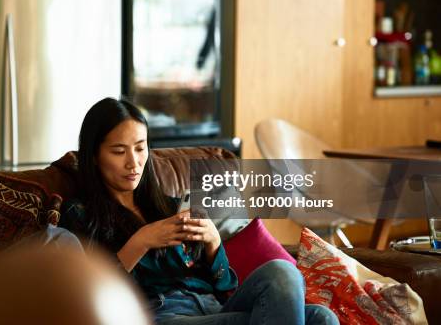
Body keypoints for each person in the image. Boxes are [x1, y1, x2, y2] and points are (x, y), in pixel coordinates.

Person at [60, 98, 339, 325]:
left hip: (214, 307)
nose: (133, 162)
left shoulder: (167, 206)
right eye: (119, 151)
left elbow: (224, 284)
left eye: (140, 148)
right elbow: (95, 293)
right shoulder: (80, 214)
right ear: (95, 156)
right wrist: (142, 240)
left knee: (305, 298)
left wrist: (213, 243)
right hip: (163, 315)